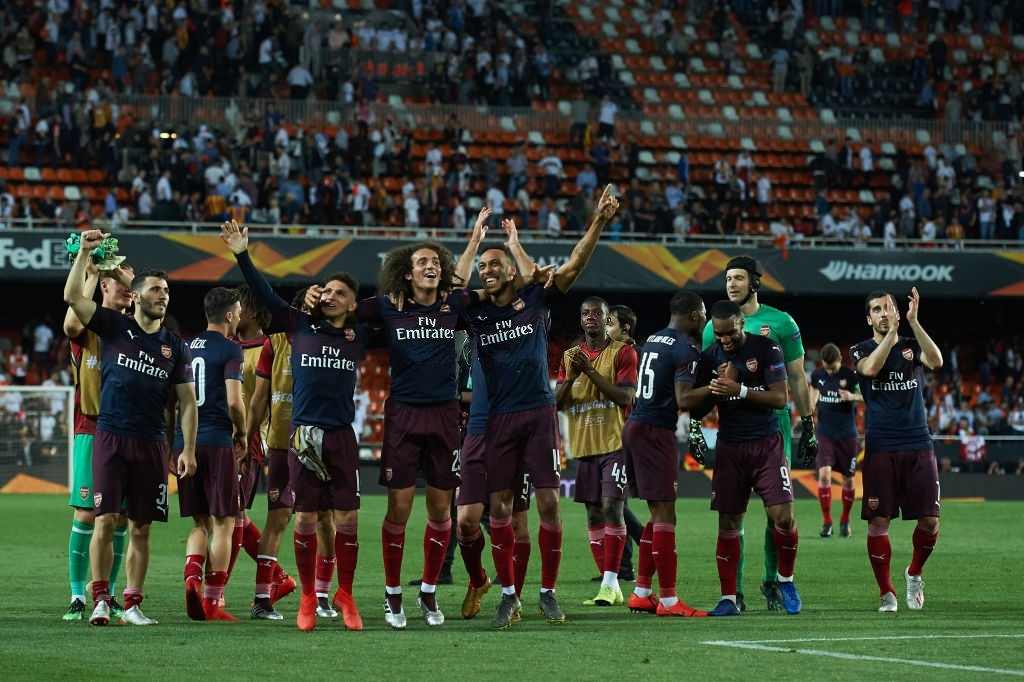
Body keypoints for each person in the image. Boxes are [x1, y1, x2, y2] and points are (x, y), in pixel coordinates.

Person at [463, 185, 619, 629]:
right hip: (497, 421)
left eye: (496, 265)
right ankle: (509, 595)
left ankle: (547, 592)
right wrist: (476, 242)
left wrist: (599, 223)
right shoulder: (474, 313)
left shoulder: (534, 298)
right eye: (482, 266)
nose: (486, 270)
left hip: (537, 414)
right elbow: (453, 285)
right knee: (500, 508)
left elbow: (573, 264)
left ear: (513, 270)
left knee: (549, 503)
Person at [221, 220, 366, 632]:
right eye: (327, 291)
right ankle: (306, 596)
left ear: (353, 303)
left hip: (341, 435)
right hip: (301, 437)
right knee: (302, 520)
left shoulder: (359, 335)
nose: (331, 296)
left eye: (341, 292)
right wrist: (242, 254)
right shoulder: (298, 328)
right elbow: (266, 294)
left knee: (346, 523)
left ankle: (346, 595)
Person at [345, 214, 484, 630]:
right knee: (399, 509)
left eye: (436, 263)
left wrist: (475, 241)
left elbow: (468, 283)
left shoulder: (452, 305)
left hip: (444, 414)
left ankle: (427, 590)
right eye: (424, 262)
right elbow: (348, 310)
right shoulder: (388, 307)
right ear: (407, 273)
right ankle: (391, 594)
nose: (431, 266)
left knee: (441, 510)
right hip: (403, 413)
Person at [63, 230, 197, 626]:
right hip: (109, 435)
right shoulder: (113, 328)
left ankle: (133, 602)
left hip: (152, 442)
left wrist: (186, 448)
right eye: (156, 289)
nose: (164, 295)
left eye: (167, 291)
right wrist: (86, 255)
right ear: (137, 295)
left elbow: (187, 402)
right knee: (102, 519)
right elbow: (74, 300)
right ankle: (98, 598)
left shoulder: (175, 345)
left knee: (140, 526)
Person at [699, 255, 815, 612]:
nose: (731, 284)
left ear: (755, 282)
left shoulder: (781, 323)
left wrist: (808, 422)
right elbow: (708, 382)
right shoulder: (712, 328)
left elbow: (796, 377)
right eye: (728, 278)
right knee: (733, 515)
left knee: (776, 512)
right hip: (733, 428)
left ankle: (773, 581)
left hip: (773, 425)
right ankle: (734, 592)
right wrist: (696, 425)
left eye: (738, 278)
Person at [850, 289, 942, 613]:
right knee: (879, 522)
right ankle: (886, 592)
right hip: (881, 447)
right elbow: (871, 370)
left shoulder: (911, 346)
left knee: (930, 521)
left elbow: (936, 361)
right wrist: (890, 336)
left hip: (918, 442)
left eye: (888, 307)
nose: (884, 312)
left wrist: (914, 324)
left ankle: (914, 572)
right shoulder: (859, 349)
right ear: (869, 318)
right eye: (877, 309)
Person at [622, 291, 710, 618]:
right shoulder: (686, 348)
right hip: (655, 431)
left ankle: (642, 592)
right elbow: (684, 399)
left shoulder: (654, 339)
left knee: (656, 513)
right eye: (701, 314)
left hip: (636, 426)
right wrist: (717, 387)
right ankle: (670, 600)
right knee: (666, 515)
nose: (704, 319)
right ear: (689, 315)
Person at [61, 261, 134, 622]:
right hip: (91, 427)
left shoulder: (136, 331)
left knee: (120, 518)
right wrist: (91, 272)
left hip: (128, 430)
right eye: (117, 279)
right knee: (88, 513)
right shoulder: (88, 328)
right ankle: (77, 594)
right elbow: (71, 321)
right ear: (102, 287)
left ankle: (109, 593)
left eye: (128, 280)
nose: (124, 285)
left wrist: (121, 275)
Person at [556, 297, 637, 607]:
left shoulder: (624, 352)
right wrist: (575, 375)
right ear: (581, 320)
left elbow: (625, 397)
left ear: (606, 321)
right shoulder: (569, 357)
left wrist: (589, 371)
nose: (590, 317)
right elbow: (558, 402)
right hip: (584, 443)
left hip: (615, 442)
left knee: (612, 507)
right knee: (592, 512)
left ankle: (610, 582)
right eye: (585, 313)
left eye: (597, 314)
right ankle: (610, 582)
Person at [177, 288, 247, 622]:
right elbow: (235, 400)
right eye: (239, 311)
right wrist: (243, 433)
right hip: (219, 440)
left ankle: (192, 577)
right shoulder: (231, 349)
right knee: (224, 523)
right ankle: (213, 601)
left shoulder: (186, 346)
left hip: (186, 441)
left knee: (200, 521)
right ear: (230, 315)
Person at [246, 289, 309, 621]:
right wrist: (247, 437)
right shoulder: (275, 343)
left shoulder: (330, 339)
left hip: (318, 445)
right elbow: (258, 399)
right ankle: (261, 599)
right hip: (283, 445)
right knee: (278, 519)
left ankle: (319, 596)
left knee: (321, 520)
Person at [810, 342, 862, 538]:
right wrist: (809, 409)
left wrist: (851, 396)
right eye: (826, 367)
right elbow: (812, 397)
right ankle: (827, 522)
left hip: (847, 435)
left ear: (840, 360)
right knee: (824, 475)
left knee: (848, 480)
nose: (829, 371)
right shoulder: (817, 375)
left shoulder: (850, 376)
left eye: (832, 367)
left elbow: (866, 396)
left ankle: (845, 520)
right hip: (825, 433)